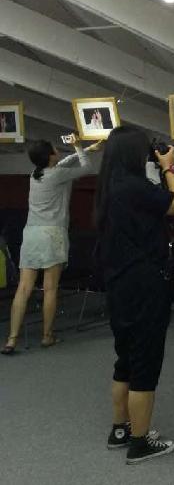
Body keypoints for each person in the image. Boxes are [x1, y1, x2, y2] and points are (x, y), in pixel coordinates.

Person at [93, 127, 174, 464]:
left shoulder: (110, 186)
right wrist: (169, 168)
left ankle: (121, 429)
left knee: (125, 360)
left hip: (119, 283)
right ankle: (140, 442)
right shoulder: (134, 187)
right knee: (145, 363)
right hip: (145, 284)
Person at [1, 136, 101, 355]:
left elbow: (63, 163)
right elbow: (87, 168)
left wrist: (87, 149)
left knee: (23, 288)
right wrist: (78, 147)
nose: (58, 150)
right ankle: (47, 336)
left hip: (31, 235)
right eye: (55, 149)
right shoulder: (57, 175)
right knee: (50, 289)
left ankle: (11, 339)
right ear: (50, 156)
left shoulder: (35, 174)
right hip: (52, 235)